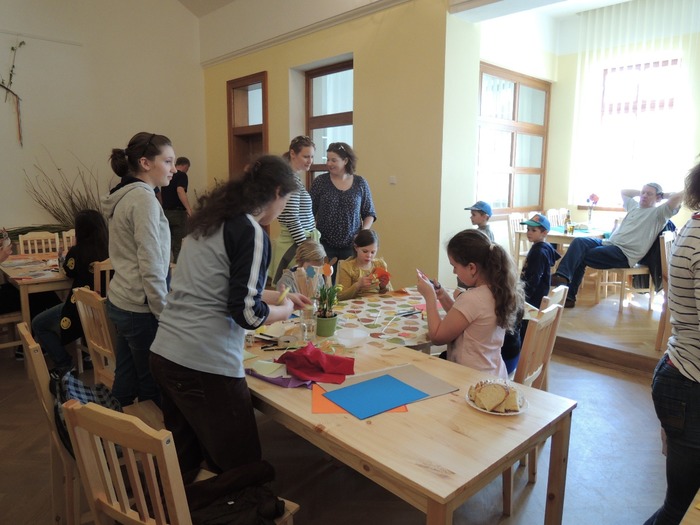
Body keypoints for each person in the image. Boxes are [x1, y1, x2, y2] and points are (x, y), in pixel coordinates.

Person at [149, 155, 310, 504]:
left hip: (166, 354)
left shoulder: (209, 222)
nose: (283, 209)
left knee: (187, 460)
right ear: (277, 192)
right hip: (204, 362)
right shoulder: (251, 232)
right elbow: (247, 315)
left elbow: (218, 288)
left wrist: (278, 297)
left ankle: (175, 510)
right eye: (286, 201)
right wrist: (283, 311)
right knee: (244, 470)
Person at [644, 161, 700, 525]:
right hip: (689, 384)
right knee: (682, 510)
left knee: (680, 507)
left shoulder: (693, 226)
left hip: (682, 373)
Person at [102, 132, 174, 407]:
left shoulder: (126, 195)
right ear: (145, 163)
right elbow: (151, 263)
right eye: (167, 161)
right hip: (140, 308)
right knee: (153, 385)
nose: (173, 169)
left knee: (126, 378)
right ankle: (152, 435)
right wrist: (164, 313)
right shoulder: (143, 200)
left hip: (123, 299)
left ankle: (111, 431)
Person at [551, 183, 683, 307]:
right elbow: (624, 191)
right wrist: (643, 191)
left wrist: (662, 195)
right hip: (609, 244)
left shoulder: (659, 214)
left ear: (658, 198)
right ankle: (563, 277)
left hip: (624, 254)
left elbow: (677, 197)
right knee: (579, 242)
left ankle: (568, 293)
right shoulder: (634, 207)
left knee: (580, 255)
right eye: (643, 193)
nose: (644, 196)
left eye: (649, 194)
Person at [416, 229, 523, 379]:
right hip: (492, 374)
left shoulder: (472, 299)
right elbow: (462, 318)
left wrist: (430, 297)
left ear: (472, 268)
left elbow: (437, 337)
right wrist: (442, 295)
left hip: (469, 380)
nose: (454, 272)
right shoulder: (496, 291)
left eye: (455, 266)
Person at [31, 210, 109, 369]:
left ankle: (64, 364)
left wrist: (71, 249)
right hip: (108, 307)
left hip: (82, 308)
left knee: (38, 323)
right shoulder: (112, 249)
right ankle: (88, 356)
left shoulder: (78, 251)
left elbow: (68, 272)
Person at [309, 142, 376, 278]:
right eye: (328, 159)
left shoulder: (360, 183)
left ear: (345, 160)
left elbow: (369, 213)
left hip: (352, 245)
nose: (329, 163)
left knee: (349, 283)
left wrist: (362, 233)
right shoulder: (320, 182)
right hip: (324, 244)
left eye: (334, 160)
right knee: (325, 282)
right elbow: (309, 212)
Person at [270, 136, 319, 284]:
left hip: (301, 242)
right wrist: (305, 248)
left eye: (312, 156)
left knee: (308, 284)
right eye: (306, 156)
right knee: (298, 286)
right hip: (295, 245)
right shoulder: (289, 179)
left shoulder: (293, 178)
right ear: (293, 154)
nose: (310, 161)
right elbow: (292, 218)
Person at [520, 214, 561, 310]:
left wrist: (524, 296)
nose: (529, 233)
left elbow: (535, 277)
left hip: (533, 296)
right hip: (539, 292)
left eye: (533, 230)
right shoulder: (542, 248)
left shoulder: (539, 252)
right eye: (528, 229)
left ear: (544, 233)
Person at [337, 229, 392, 300]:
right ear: (356, 247)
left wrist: (383, 287)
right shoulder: (347, 267)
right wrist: (358, 285)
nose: (369, 255)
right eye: (365, 251)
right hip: (355, 304)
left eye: (373, 252)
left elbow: (390, 294)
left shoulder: (380, 264)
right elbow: (341, 297)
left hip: (377, 303)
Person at [159, 156, 193, 262]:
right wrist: (189, 210)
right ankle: (178, 267)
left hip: (165, 212)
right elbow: (180, 190)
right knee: (179, 244)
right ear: (185, 166)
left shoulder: (167, 175)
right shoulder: (182, 175)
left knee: (167, 242)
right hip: (178, 213)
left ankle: (166, 267)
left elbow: (161, 194)